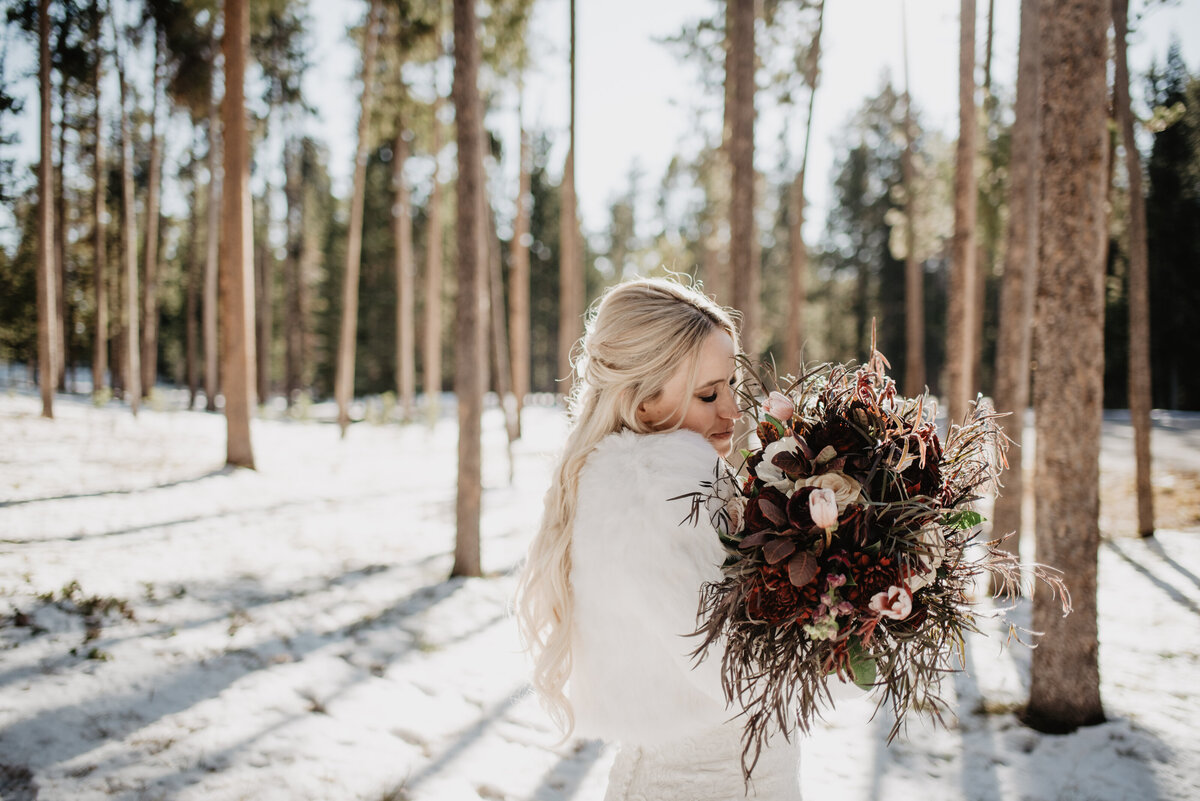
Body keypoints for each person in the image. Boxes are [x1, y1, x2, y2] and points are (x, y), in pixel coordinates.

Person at [514, 277, 802, 799]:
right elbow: (734, 667)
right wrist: (839, 593)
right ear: (644, 403)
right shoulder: (658, 490)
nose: (732, 411)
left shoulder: (637, 481)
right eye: (708, 394)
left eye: (731, 385)